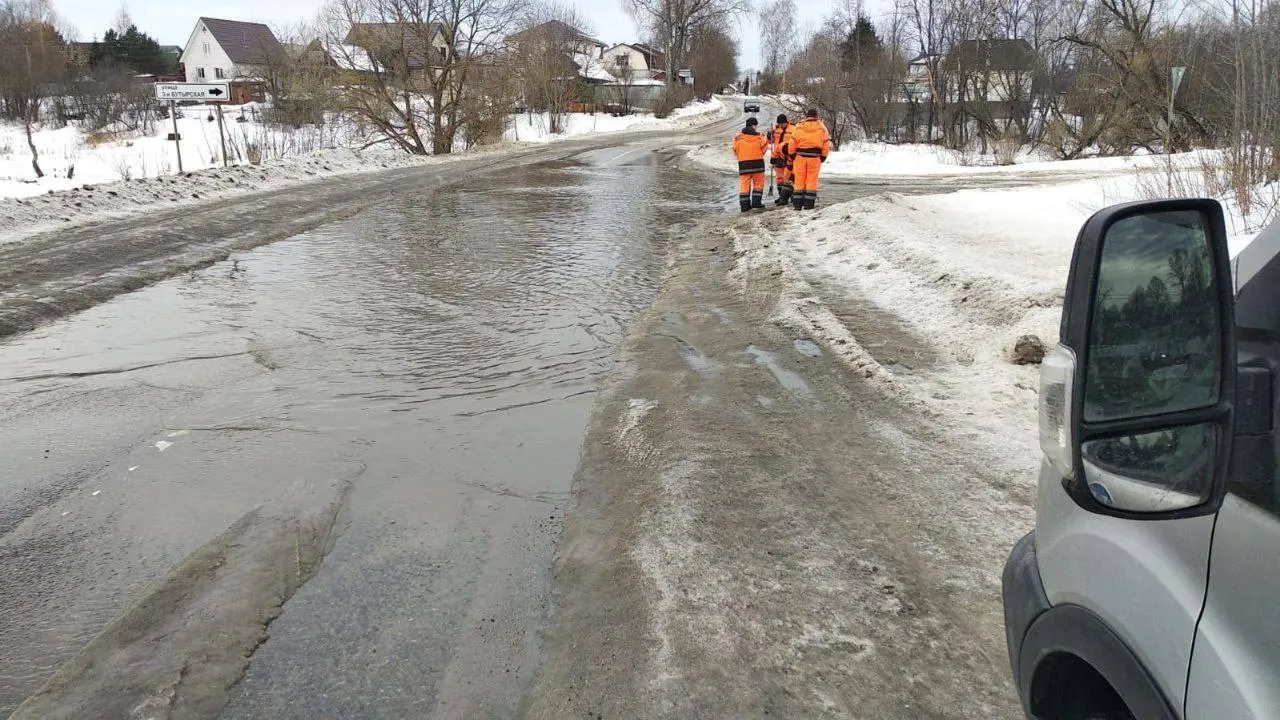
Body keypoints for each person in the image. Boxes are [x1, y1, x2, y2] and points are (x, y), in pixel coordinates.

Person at [788, 108, 831, 211]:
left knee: (799, 180)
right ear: (816, 116)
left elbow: (792, 142)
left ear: (807, 116)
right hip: (815, 157)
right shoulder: (822, 127)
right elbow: (826, 143)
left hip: (800, 157)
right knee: (811, 180)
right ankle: (809, 205)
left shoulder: (799, 126)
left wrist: (792, 154)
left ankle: (797, 205)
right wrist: (823, 156)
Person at [733, 116, 768, 212]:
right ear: (753, 125)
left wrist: (742, 157)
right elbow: (764, 149)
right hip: (758, 164)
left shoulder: (737, 137)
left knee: (744, 185)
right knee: (758, 183)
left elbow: (735, 150)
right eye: (756, 125)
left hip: (744, 165)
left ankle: (745, 206)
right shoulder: (759, 137)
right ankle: (756, 203)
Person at [769, 114, 794, 206]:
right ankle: (782, 197)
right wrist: (769, 134)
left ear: (786, 122)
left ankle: (791, 196)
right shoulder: (776, 130)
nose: (780, 126)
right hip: (777, 155)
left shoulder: (793, 129)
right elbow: (769, 141)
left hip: (788, 156)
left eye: (782, 124)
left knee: (788, 177)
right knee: (779, 178)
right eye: (779, 124)